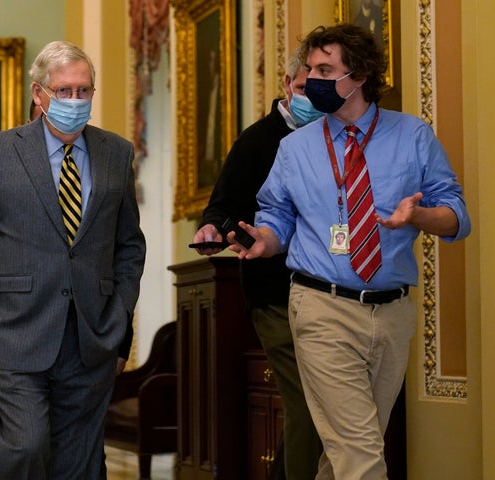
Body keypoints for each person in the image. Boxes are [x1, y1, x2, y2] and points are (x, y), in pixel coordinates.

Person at [229, 24, 471, 479]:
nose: (314, 79)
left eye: (326, 70)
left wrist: (417, 217)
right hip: (321, 308)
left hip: (393, 312)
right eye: (311, 69)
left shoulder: (413, 136)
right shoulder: (294, 148)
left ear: (358, 76)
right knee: (360, 454)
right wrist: (265, 240)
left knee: (348, 449)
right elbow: (276, 216)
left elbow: (457, 216)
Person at [0, 40, 146, 479]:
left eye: (83, 91)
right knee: (26, 445)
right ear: (39, 94)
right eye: (64, 91)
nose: (75, 101)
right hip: (15, 330)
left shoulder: (116, 153)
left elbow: (129, 245)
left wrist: (120, 319)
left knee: (81, 461)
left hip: (92, 335)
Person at [193, 49, 322, 480]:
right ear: (288, 86)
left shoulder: (335, 135)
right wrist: (216, 230)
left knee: (323, 403)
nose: (311, 95)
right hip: (274, 295)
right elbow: (222, 208)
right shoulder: (257, 140)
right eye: (304, 87)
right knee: (309, 400)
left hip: (327, 293)